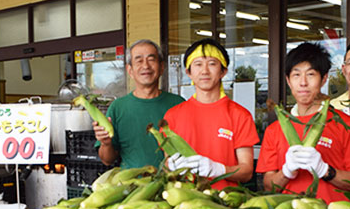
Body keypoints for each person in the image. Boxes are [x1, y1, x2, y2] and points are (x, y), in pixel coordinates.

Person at [256, 42, 350, 203]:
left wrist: (325, 170)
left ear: (323, 79)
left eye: (310, 74)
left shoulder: (348, 125)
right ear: (288, 81)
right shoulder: (274, 130)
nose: (303, 82)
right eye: (296, 75)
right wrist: (286, 171)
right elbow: (269, 186)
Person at [163, 38, 259, 190]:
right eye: (198, 64)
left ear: (223, 71)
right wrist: (171, 166)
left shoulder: (240, 115)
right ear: (189, 72)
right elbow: (166, 164)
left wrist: (219, 169)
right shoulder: (172, 116)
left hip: (227, 202)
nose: (205, 71)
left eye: (212, 64)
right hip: (183, 201)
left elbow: (246, 171)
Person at [94, 39, 184, 169]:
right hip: (132, 186)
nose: (146, 66)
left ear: (162, 67)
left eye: (151, 59)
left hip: (172, 185)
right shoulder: (118, 108)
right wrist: (106, 144)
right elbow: (107, 160)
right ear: (130, 70)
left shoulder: (178, 104)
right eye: (139, 60)